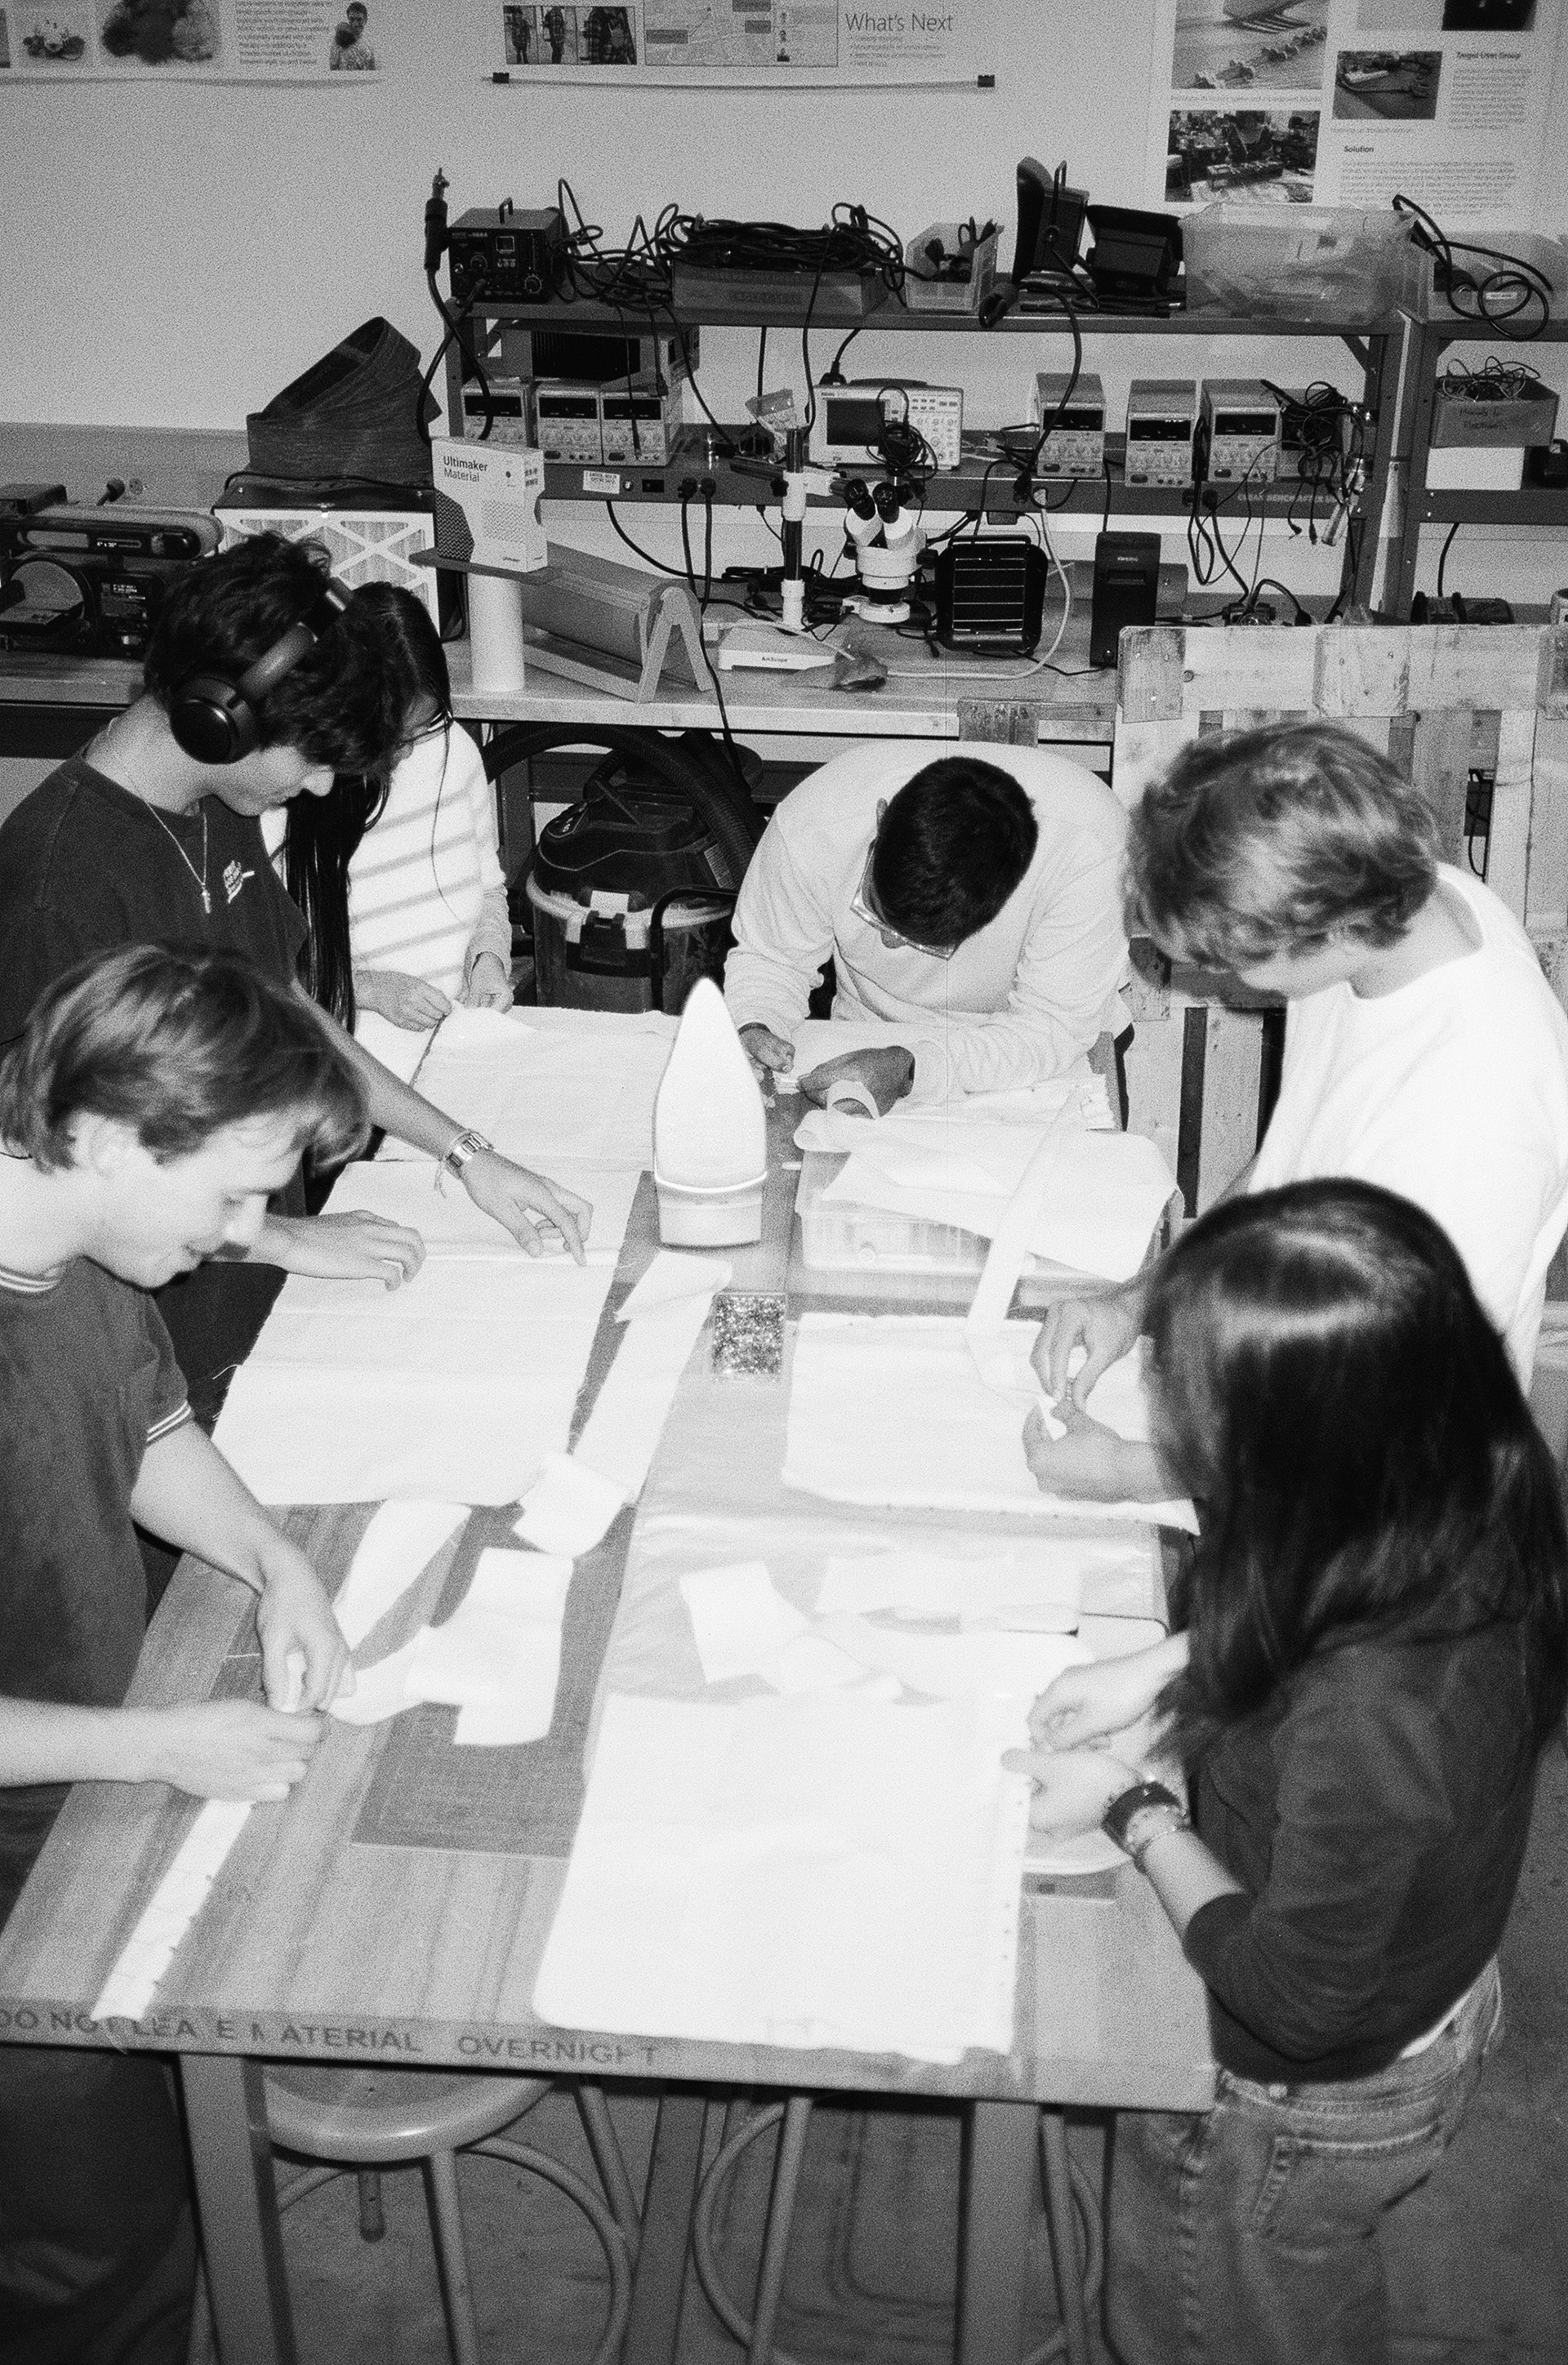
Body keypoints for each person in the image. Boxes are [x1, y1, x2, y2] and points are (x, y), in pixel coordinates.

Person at [1009, 1180, 1568, 2365]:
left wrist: (1131, 1805)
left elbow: (1293, 1996)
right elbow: (1323, 1616)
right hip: (1420, 1998)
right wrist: (1170, 1665)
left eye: (1181, 1396)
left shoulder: (1376, 1712)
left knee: (1222, 2324)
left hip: (1294, 2106)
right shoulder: (1459, 1482)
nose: (1157, 1398)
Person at [0, 532, 589, 1431]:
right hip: (150, 1355)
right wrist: (277, 1235)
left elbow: (285, 1005)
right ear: (219, 719)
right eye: (310, 756)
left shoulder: (205, 802)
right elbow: (60, 1169)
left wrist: (466, 1153)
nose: (317, 786)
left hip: (250, 1286)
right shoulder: (58, 880)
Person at [0, 945, 363, 2364]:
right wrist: (155, 1744)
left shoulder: (74, 1249)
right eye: (230, 1194)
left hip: (78, 1799)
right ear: (98, 1133)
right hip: (19, 1896)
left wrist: (273, 1559)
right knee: (96, 2261)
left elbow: (147, 1427)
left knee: (147, 2170)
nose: (240, 1233)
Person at [1027, 719, 1568, 1504]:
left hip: (1383, 1528)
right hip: (1283, 1420)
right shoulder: (1404, 909)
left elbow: (1399, 1435)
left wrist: (1135, 1472)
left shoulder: (1474, 1121)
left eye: (1235, 963)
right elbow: (1296, 1160)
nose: (1223, 982)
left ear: (1326, 924)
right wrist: (1138, 1297)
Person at [723, 742, 1128, 1113]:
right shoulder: (816, 823)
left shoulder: (1088, 850)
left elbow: (1051, 1027)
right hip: (865, 1043)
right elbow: (772, 959)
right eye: (876, 910)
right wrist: (757, 1022)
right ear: (881, 820)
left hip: (1040, 1065)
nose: (886, 943)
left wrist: (915, 1068)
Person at [264, 583, 512, 1036]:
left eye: (419, 730)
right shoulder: (286, 787)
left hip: (451, 1036)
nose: (403, 755)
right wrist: (369, 990)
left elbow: (490, 891)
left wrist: (488, 959)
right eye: (388, 737)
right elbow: (262, 966)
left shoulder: (452, 751)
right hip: (343, 1038)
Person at [328, 0, 375, 66]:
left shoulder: (371, 43)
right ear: (348, 18)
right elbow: (333, 67)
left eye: (359, 19)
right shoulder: (339, 39)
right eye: (352, 19)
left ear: (366, 19)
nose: (355, 24)